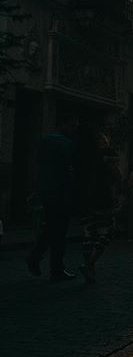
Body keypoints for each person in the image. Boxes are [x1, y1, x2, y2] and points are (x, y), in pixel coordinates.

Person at [26, 115, 79, 281]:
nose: (74, 129)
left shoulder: (45, 141)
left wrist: (36, 190)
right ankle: (52, 266)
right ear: (62, 124)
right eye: (71, 126)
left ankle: (42, 260)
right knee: (58, 230)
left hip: (47, 191)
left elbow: (37, 166)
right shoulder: (67, 144)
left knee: (53, 228)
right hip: (60, 192)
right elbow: (69, 171)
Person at [79, 134, 121, 283]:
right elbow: (117, 177)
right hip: (104, 199)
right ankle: (89, 263)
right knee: (108, 232)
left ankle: (90, 270)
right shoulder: (107, 157)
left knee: (89, 233)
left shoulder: (85, 157)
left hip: (85, 199)